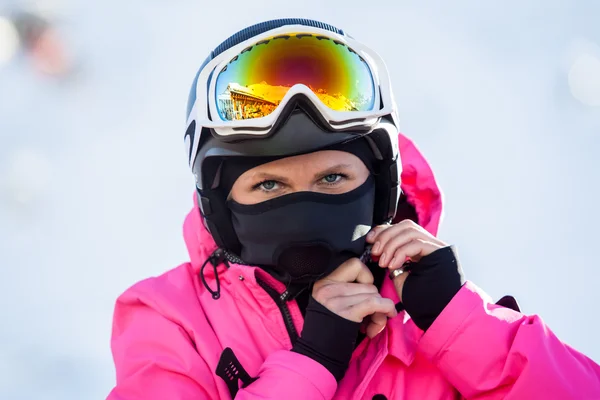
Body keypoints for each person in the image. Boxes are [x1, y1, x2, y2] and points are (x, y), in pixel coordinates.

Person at [107, 18, 600, 400]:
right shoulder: (172, 322)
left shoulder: (429, 311)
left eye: (333, 178)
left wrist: (465, 324)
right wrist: (311, 363)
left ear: (381, 185)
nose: (303, 205)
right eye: (269, 184)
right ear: (220, 206)